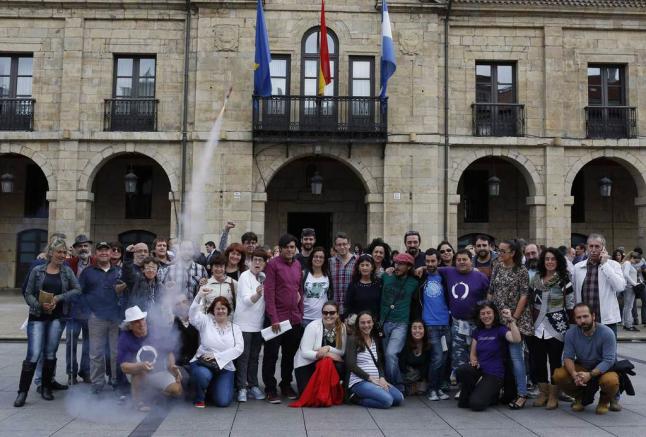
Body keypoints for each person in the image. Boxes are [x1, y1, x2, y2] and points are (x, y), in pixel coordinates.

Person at [15, 238, 81, 407]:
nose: (62, 255)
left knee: (50, 353)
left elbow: (77, 289)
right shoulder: (37, 270)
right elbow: (27, 292)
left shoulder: (66, 272)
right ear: (51, 252)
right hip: (37, 316)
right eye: (59, 252)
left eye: (64, 252)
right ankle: (22, 392)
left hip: (57, 317)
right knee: (34, 353)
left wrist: (58, 298)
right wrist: (38, 304)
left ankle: (46, 387)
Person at [527, 247, 575, 410]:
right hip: (537, 325)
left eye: (553, 259)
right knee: (538, 361)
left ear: (558, 261)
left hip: (557, 324)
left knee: (555, 361)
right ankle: (543, 392)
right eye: (547, 259)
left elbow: (570, 303)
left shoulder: (564, 279)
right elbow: (530, 301)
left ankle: (554, 395)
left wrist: (572, 325)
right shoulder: (535, 278)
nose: (549, 262)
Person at [487, 239, 532, 409]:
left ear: (512, 253)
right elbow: (491, 290)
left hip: (515, 320)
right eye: (499, 250)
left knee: (516, 357)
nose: (499, 253)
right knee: (498, 356)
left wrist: (514, 317)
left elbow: (524, 295)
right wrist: (488, 311)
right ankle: (500, 390)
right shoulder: (497, 266)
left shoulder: (521, 270)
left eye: (503, 251)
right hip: (498, 318)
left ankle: (522, 393)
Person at [552, 303, 619, 415]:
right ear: (575, 319)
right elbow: (568, 357)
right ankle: (579, 397)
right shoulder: (571, 333)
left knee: (611, 381)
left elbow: (609, 360)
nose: (582, 320)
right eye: (579, 317)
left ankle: (604, 400)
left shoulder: (607, 333)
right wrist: (574, 374)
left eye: (585, 316)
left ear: (593, 316)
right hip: (583, 366)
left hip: (604, 369)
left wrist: (590, 375)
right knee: (559, 375)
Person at [262, 233, 304, 403]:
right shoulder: (273, 264)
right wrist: (273, 318)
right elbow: (269, 292)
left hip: (293, 319)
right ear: (281, 249)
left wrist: (299, 313)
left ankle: (285, 384)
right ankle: (270, 389)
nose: (289, 250)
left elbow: (299, 290)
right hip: (276, 319)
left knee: (289, 355)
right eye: (286, 247)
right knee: (271, 355)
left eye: (292, 247)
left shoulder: (297, 264)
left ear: (295, 249)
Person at [457, 302, 521, 411]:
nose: (486, 316)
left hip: (494, 374)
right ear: (479, 316)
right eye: (483, 314)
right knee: (462, 371)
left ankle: (491, 394)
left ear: (494, 314)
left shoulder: (500, 329)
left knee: (476, 404)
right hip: (480, 370)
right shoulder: (478, 331)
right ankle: (479, 392)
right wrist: (473, 361)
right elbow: (473, 354)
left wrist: (511, 320)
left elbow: (516, 339)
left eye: (488, 313)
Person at [117, 306, 183, 411]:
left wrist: (171, 366)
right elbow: (124, 366)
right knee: (139, 371)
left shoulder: (155, 331)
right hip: (138, 374)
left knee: (177, 390)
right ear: (130, 326)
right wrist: (140, 365)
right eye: (136, 322)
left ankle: (154, 395)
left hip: (157, 371)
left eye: (142, 319)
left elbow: (169, 351)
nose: (141, 324)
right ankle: (138, 402)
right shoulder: (125, 338)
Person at [438, 249, 489, 383]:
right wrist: (420, 268)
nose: (461, 262)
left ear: (470, 260)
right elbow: (432, 268)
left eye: (464, 259)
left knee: (478, 354)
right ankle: (462, 386)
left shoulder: (481, 277)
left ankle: (479, 383)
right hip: (457, 324)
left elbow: (488, 297)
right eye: (459, 260)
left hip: (476, 324)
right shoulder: (449, 272)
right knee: (458, 356)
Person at [79, 241, 123, 394]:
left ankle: (116, 380)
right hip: (96, 317)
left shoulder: (118, 271)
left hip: (115, 318)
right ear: (95, 254)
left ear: (111, 253)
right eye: (100, 250)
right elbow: (80, 293)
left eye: (106, 250)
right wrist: (87, 312)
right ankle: (97, 383)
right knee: (96, 353)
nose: (104, 253)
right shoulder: (87, 272)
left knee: (116, 352)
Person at [189, 293, 244, 408]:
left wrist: (217, 356)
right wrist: (199, 296)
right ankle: (199, 397)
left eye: (223, 308)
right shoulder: (205, 322)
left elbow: (239, 348)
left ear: (228, 310)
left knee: (223, 402)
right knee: (202, 375)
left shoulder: (235, 328)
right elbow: (192, 316)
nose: (220, 311)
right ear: (213, 310)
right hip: (204, 363)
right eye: (217, 308)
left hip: (225, 367)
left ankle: (210, 388)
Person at [345, 311, 404, 409]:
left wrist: (382, 377)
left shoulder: (374, 340)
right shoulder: (353, 339)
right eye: (362, 323)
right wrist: (369, 378)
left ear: (373, 323)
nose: (366, 325)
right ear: (358, 324)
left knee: (399, 398)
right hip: (359, 381)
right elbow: (350, 364)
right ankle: (356, 398)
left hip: (376, 380)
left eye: (369, 322)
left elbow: (378, 363)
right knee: (388, 401)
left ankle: (375, 394)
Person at [233, 248, 269, 402]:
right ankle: (241, 387)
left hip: (258, 325)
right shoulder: (244, 277)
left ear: (265, 263)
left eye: (261, 260)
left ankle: (253, 385)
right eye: (255, 259)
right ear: (250, 261)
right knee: (243, 357)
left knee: (255, 357)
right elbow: (247, 301)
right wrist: (258, 294)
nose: (257, 263)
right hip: (243, 324)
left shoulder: (264, 277)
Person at [380, 252, 419, 391]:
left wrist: (424, 269)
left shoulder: (414, 282)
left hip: (401, 324)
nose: (397, 266)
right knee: (387, 357)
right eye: (396, 263)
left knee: (391, 354)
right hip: (383, 323)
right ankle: (396, 384)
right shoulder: (386, 276)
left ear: (409, 267)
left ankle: (396, 386)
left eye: (401, 264)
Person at [572, 234, 625, 337]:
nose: (593, 249)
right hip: (584, 321)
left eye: (597, 246)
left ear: (603, 248)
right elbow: (575, 293)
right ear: (587, 247)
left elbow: (620, 287)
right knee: (585, 352)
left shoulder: (613, 265)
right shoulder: (578, 267)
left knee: (608, 352)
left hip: (606, 320)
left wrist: (605, 265)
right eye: (591, 246)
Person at [293, 301, 347, 396]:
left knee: (339, 366)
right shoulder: (312, 326)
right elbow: (305, 353)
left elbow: (342, 352)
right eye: (325, 313)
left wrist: (328, 348)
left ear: (338, 314)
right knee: (306, 394)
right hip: (307, 363)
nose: (328, 315)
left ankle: (332, 389)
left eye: (332, 313)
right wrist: (325, 354)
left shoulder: (342, 327)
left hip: (326, 363)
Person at [418, 248, 451, 401]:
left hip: (445, 323)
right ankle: (432, 389)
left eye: (433, 261)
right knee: (437, 357)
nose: (430, 264)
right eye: (427, 261)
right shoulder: (421, 276)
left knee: (444, 357)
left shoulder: (445, 276)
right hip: (430, 324)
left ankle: (438, 388)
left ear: (438, 261)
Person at [66, 234, 95, 385]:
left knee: (89, 344)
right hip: (73, 310)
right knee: (71, 342)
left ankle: (86, 371)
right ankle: (71, 373)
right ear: (75, 249)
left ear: (90, 247)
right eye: (80, 246)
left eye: (86, 245)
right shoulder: (69, 263)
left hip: (91, 311)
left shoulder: (96, 262)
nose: (83, 248)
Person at [301, 247, 333, 326]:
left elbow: (330, 295)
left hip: (323, 318)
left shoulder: (327, 275)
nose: (318, 259)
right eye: (315, 256)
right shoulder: (304, 274)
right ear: (311, 258)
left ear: (324, 260)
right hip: (305, 317)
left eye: (321, 257)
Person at [345, 253, 381, 320]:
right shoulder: (353, 284)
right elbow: (348, 305)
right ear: (358, 267)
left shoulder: (378, 283)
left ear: (372, 267)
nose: (365, 268)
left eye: (367, 265)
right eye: (362, 265)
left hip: (374, 322)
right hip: (357, 323)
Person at [398, 321, 431, 396]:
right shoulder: (405, 344)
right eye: (414, 328)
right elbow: (402, 364)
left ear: (424, 330)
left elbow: (427, 364)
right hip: (408, 374)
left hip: (421, 375)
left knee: (421, 391)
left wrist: (420, 378)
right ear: (410, 330)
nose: (417, 331)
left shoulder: (428, 345)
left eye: (420, 328)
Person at [329, 232, 357, 315]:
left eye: (344, 244)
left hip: (352, 308)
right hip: (334, 309)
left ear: (349, 244)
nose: (342, 247)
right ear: (335, 246)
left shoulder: (358, 261)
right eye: (339, 244)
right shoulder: (330, 262)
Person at [622, 251, 642, 332]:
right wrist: (634, 284)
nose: (636, 263)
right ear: (633, 258)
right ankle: (628, 325)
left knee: (627, 306)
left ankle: (626, 323)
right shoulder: (627, 263)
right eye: (636, 261)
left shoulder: (628, 263)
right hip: (629, 287)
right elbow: (626, 274)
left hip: (630, 287)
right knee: (629, 307)